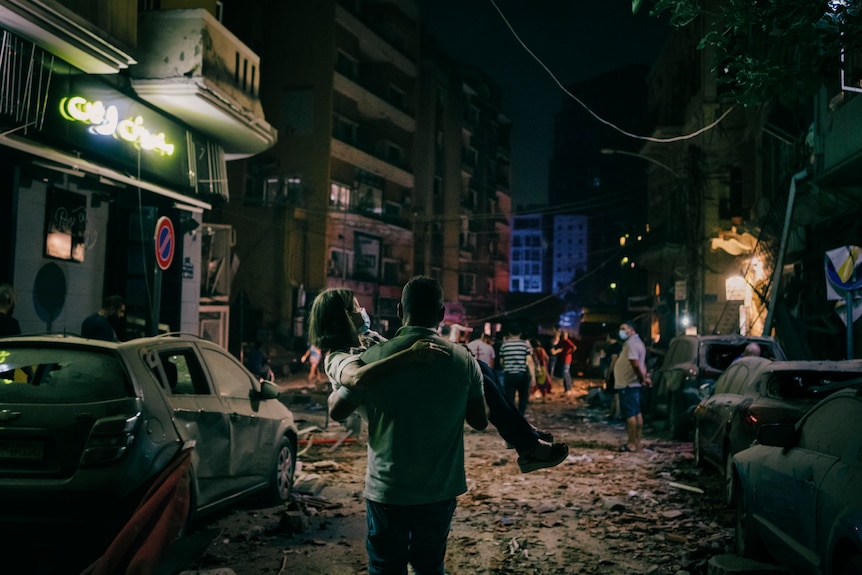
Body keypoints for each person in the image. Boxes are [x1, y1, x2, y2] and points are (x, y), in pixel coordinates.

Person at [325, 276, 488, 575]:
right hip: (440, 489)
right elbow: (480, 421)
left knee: (386, 567)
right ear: (441, 315)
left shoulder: (371, 359)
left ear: (400, 310)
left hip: (388, 490)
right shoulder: (464, 360)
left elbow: (339, 409)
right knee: (430, 567)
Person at [310, 287, 567, 473]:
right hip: (397, 407)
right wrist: (410, 355)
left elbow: (394, 351)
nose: (361, 311)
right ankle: (526, 445)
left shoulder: (367, 339)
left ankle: (521, 436)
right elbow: (355, 378)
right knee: (480, 378)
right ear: (342, 317)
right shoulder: (338, 357)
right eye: (355, 308)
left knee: (480, 368)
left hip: (407, 387)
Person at [613, 321, 650, 452]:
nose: (621, 331)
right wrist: (644, 378)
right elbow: (642, 363)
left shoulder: (632, 344)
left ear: (632, 329)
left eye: (624, 328)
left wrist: (642, 378)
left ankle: (631, 443)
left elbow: (635, 364)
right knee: (636, 412)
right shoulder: (638, 342)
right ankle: (637, 442)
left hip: (628, 384)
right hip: (632, 384)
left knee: (630, 415)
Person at [499, 322, 535, 414]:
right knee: (523, 398)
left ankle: (512, 418)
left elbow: (501, 362)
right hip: (522, 375)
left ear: (509, 332)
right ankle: (521, 416)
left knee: (510, 398)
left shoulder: (504, 345)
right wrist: (533, 376)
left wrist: (507, 366)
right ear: (520, 333)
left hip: (509, 375)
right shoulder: (524, 345)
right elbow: (529, 361)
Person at [605, 333, 623, 420]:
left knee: (615, 394)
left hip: (615, 373)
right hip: (620, 372)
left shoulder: (614, 347)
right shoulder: (621, 345)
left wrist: (609, 373)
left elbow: (614, 360)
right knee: (615, 394)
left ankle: (617, 414)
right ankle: (613, 413)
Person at [553, 330, 576, 396]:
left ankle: (568, 388)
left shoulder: (567, 341)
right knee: (566, 373)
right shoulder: (563, 342)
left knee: (565, 373)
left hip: (567, 359)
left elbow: (574, 347)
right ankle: (567, 388)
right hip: (565, 359)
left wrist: (569, 353)